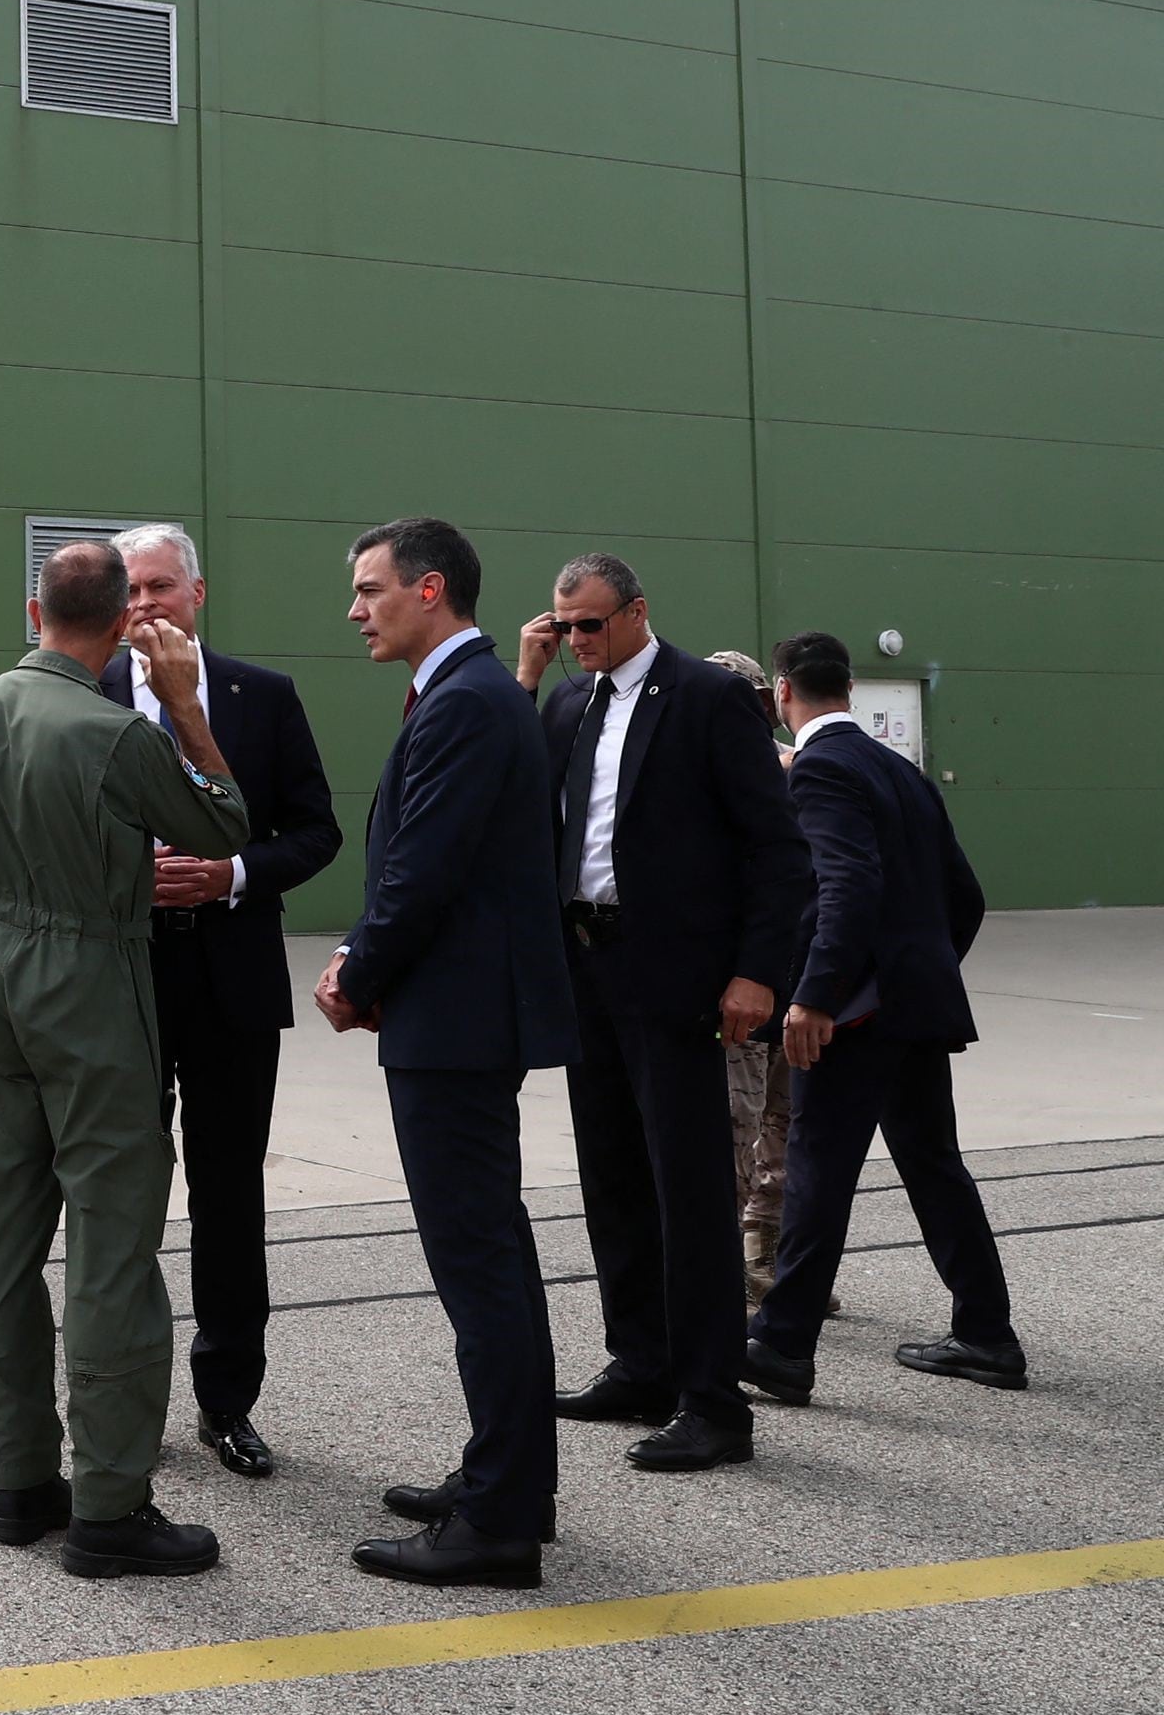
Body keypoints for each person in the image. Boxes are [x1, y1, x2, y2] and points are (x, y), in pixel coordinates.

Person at [0, 541, 249, 1579]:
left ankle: (20, 1484)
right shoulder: (114, 731)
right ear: (121, 629)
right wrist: (184, 704)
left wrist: (20, 877)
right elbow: (222, 825)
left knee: (2, 1233)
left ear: (32, 608)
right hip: (89, 977)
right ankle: (108, 1505)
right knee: (110, 1242)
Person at [317, 517, 576, 1589]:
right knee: (495, 1259)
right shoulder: (468, 694)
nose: (354, 607)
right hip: (460, 1014)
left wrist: (356, 970)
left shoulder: (468, 700)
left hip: (457, 1025)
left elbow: (422, 869)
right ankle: (502, 1479)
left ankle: (500, 1521)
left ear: (430, 589)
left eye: (369, 588)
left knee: (478, 1268)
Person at [516, 556, 811, 1475]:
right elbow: (529, 809)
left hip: (679, 976)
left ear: (639, 612)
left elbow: (777, 848)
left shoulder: (707, 698)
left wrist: (758, 973)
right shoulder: (570, 704)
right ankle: (639, 1362)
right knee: (611, 1175)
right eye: (563, 628)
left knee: (687, 1190)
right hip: (589, 968)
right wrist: (528, 676)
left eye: (591, 626)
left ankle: (715, 1401)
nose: (577, 642)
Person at [95, 524, 342, 1479]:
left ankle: (227, 1399)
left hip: (231, 979)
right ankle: (124, 1393)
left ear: (198, 594)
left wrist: (233, 872)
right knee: (120, 1195)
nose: (147, 604)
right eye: (132, 590)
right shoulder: (87, 694)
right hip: (123, 978)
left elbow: (315, 831)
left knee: (229, 1198)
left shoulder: (261, 696)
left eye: (162, 585)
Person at [741, 632, 1026, 1406]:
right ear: (851, 688)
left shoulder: (823, 769)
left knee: (819, 1169)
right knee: (934, 1165)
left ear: (783, 691)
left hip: (851, 1016)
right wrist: (916, 972)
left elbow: (847, 885)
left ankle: (781, 1345)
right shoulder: (903, 772)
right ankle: (988, 1334)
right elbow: (964, 896)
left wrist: (818, 995)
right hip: (910, 1008)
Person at [703, 647, 812, 1305]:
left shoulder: (793, 767)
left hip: (791, 981)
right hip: (746, 986)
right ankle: (729, 1264)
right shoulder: (704, 771)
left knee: (780, 1123)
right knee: (743, 1124)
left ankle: (759, 1253)